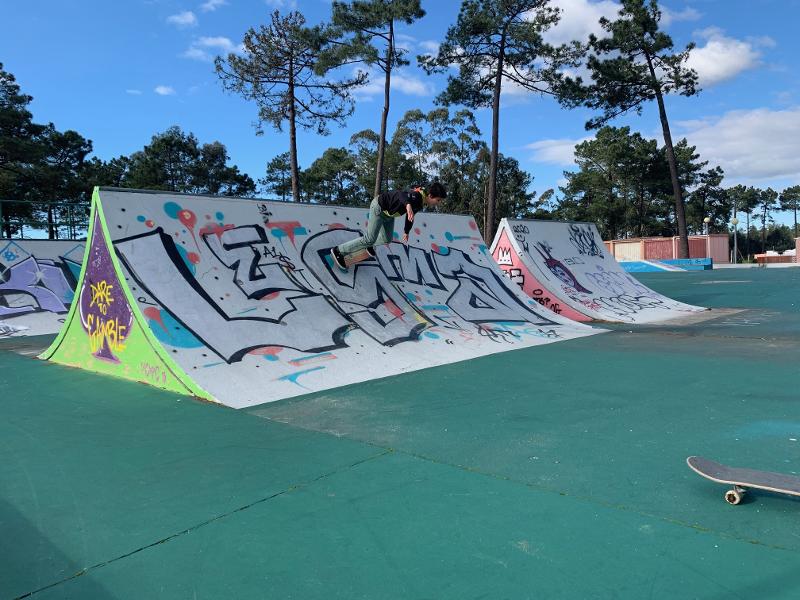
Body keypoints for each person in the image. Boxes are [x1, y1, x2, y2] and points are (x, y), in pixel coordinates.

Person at [330, 181, 447, 270]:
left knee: (387, 238)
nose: (438, 203)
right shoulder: (416, 195)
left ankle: (368, 245)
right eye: (438, 200)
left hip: (388, 215)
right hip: (379, 207)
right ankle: (339, 251)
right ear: (431, 196)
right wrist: (407, 205)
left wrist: (406, 231)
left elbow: (410, 217)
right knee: (369, 238)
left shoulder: (420, 202)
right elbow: (401, 194)